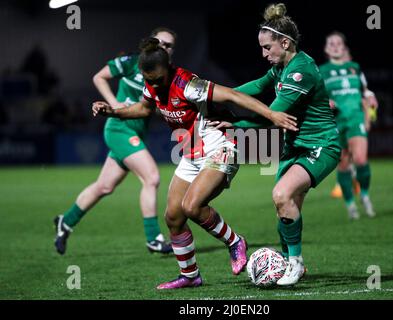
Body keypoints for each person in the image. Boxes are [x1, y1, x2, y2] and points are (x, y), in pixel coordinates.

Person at [92, 37, 298, 289]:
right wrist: (112, 111)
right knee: (173, 216)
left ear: (168, 68)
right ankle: (190, 275)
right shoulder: (152, 84)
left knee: (192, 206)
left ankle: (235, 242)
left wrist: (271, 114)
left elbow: (232, 95)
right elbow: (145, 109)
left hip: (219, 147)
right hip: (190, 154)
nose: (154, 85)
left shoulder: (189, 84)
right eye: (149, 80)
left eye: (157, 79)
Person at [213, 3, 341, 286]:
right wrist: (218, 93)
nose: (264, 54)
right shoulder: (281, 68)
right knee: (286, 204)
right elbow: (257, 87)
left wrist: (237, 126)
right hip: (294, 147)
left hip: (320, 146)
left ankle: (294, 264)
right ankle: (288, 261)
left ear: (285, 43)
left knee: (282, 194)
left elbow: (274, 117)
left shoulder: (300, 71)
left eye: (267, 47)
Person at [53, 28, 178, 255]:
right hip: (119, 128)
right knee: (152, 177)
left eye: (169, 45)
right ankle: (153, 238)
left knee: (104, 186)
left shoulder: (166, 75)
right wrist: (114, 104)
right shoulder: (133, 62)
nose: (164, 47)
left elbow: (154, 108)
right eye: (160, 42)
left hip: (136, 133)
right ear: (152, 42)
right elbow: (98, 77)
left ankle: (66, 221)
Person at [319, 31, 378, 219]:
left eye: (338, 43)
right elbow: (317, 96)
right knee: (343, 164)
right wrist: (325, 102)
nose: (336, 46)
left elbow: (366, 91)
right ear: (327, 49)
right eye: (331, 43)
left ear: (344, 47)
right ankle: (350, 204)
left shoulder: (355, 68)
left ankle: (365, 195)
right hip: (336, 122)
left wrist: (370, 98)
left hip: (355, 119)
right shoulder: (322, 71)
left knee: (360, 159)